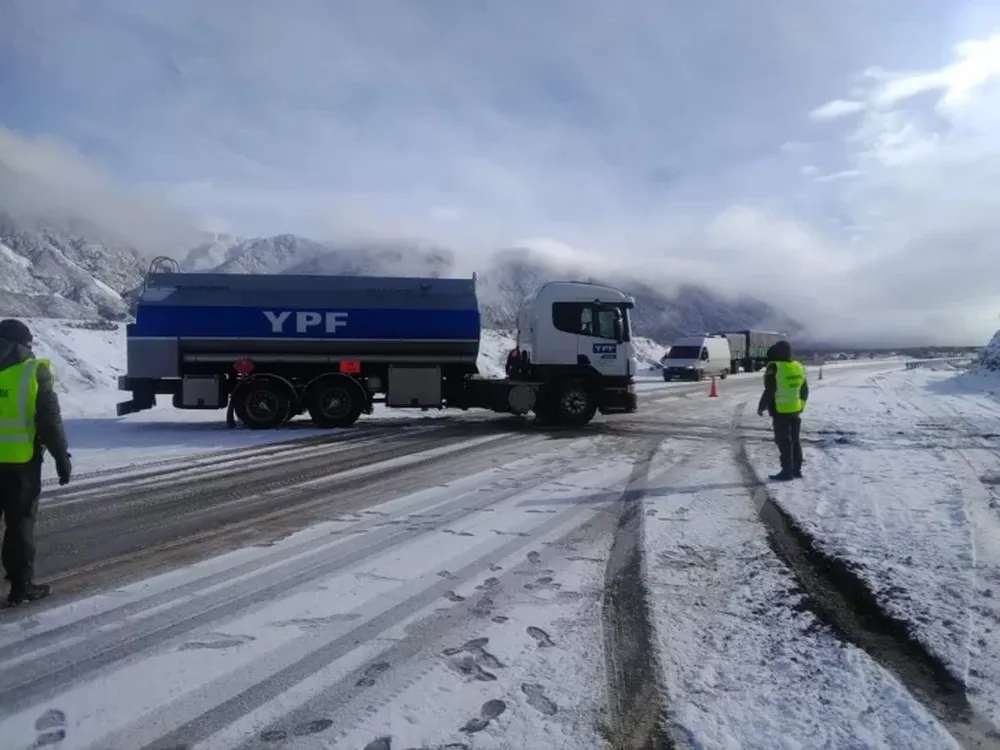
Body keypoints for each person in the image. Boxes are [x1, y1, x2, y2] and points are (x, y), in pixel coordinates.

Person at [0, 319, 72, 606]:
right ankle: (21, 587)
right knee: (19, 525)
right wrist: (61, 457)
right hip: (21, 463)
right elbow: (49, 421)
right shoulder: (33, 370)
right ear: (24, 344)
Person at [757, 339, 809, 481]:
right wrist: (801, 405)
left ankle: (786, 472)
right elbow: (805, 390)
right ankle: (796, 470)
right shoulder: (798, 366)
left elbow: (770, 390)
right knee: (795, 441)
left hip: (780, 410)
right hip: (795, 410)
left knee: (784, 442)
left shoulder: (774, 367)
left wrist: (761, 406)